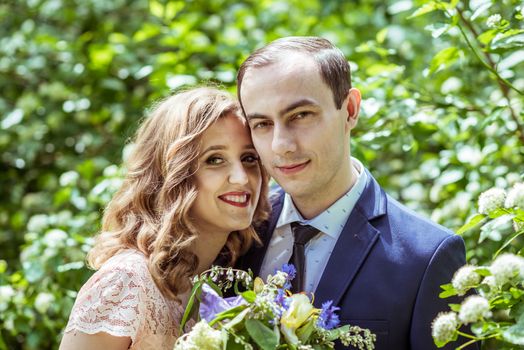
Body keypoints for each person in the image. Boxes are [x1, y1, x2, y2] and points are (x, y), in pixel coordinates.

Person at [236, 37, 476, 349]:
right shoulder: (237, 233)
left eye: (300, 115)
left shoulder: (428, 257)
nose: (281, 145)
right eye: (262, 124)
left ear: (350, 109)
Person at [59, 87, 270, 350]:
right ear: (171, 174)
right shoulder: (126, 282)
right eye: (215, 159)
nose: (241, 177)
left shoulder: (228, 281)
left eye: (249, 158)